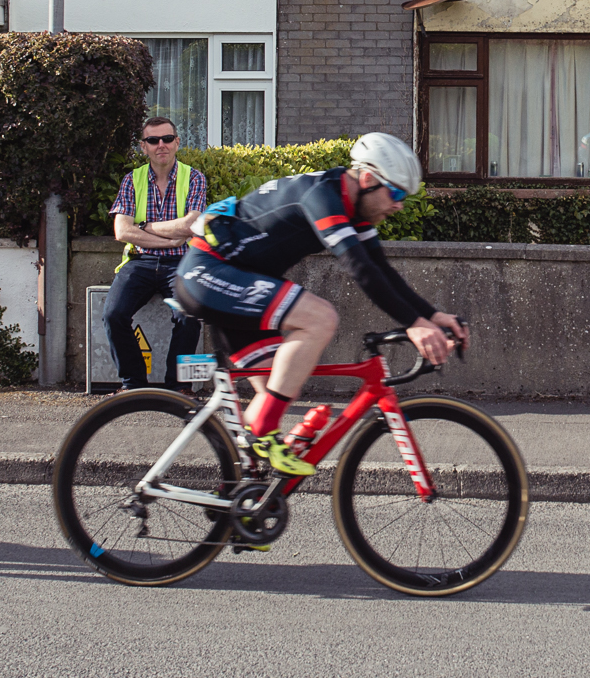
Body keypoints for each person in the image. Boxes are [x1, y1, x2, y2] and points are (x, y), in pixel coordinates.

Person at [149, 132, 465, 477]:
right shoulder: (322, 196)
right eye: (397, 193)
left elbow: (382, 271)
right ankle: (260, 436)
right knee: (319, 318)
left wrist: (431, 316)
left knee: (282, 383)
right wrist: (415, 325)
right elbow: (360, 270)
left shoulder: (353, 208)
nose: (400, 204)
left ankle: (241, 498)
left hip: (235, 283)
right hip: (209, 274)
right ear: (369, 179)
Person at [102, 116, 207, 391]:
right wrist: (167, 240)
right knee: (113, 315)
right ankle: (133, 385)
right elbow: (122, 231)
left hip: (181, 262)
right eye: (153, 140)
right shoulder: (132, 180)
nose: (161, 145)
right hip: (140, 262)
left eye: (167, 139)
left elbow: (190, 225)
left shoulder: (194, 177)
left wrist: (145, 227)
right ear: (143, 146)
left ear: (177, 143)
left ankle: (178, 388)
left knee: (189, 316)